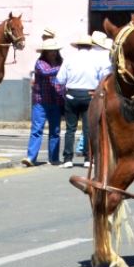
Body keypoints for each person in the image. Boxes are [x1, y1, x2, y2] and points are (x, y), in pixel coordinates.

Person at [57, 31, 109, 167]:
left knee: (70, 129)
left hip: (71, 94)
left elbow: (60, 79)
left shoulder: (69, 59)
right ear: (90, 46)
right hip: (89, 95)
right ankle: (88, 159)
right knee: (88, 129)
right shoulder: (96, 60)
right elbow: (104, 76)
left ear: (78, 46)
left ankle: (68, 159)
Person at [25, 30, 66, 167]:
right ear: (45, 52)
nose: (53, 53)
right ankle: (31, 157)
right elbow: (45, 72)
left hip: (56, 100)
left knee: (55, 131)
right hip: (40, 101)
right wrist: (63, 68)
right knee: (37, 130)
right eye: (50, 51)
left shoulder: (61, 62)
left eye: (54, 50)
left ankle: (54, 158)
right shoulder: (40, 63)